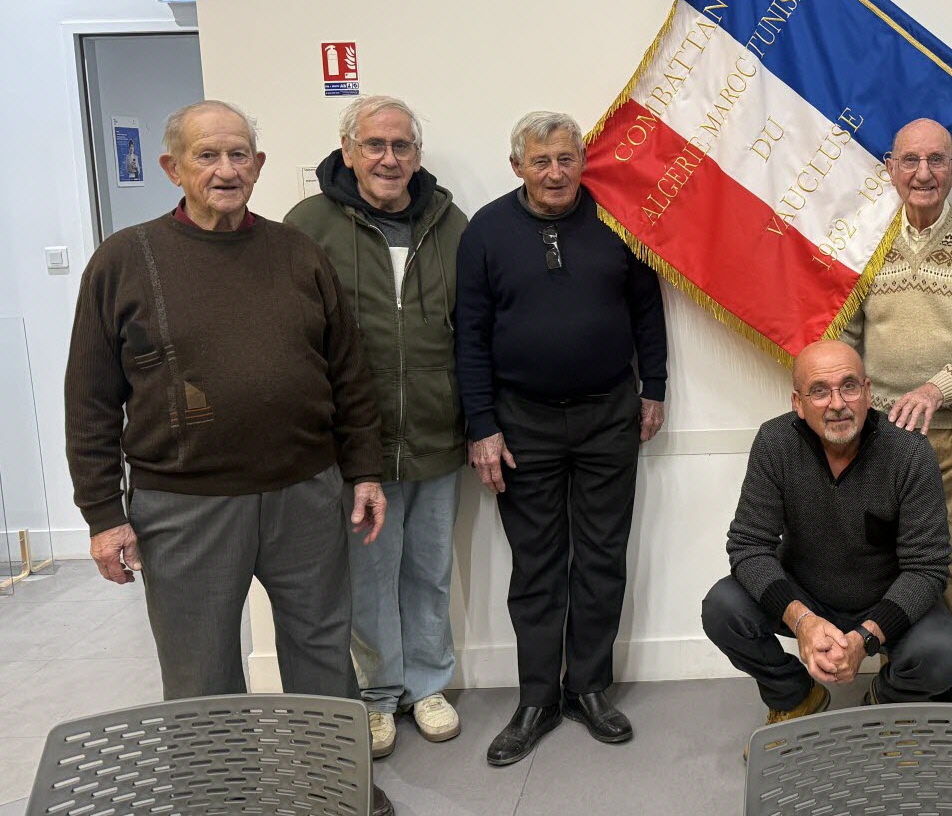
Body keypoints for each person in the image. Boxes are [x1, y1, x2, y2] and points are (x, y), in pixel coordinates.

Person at [65, 99, 396, 816]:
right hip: (182, 507)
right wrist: (102, 512)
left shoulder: (298, 253)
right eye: (208, 155)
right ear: (172, 168)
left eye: (239, 154)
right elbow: (90, 398)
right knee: (201, 675)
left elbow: (349, 374)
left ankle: (336, 791)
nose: (225, 169)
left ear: (260, 165)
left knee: (322, 657)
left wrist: (364, 469)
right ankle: (219, 800)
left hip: (305, 492)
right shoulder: (125, 259)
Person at [454, 110, 668, 767]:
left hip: (609, 413)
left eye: (566, 158)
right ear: (517, 164)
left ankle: (590, 687)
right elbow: (469, 334)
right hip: (522, 421)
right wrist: (482, 424)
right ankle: (538, 697)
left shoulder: (615, 220)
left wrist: (653, 386)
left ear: (584, 161)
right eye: (540, 160)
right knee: (538, 564)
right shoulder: (486, 230)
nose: (554, 172)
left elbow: (646, 310)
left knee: (602, 557)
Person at [285, 95, 469, 758]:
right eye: (375, 145)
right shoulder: (307, 224)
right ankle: (377, 694)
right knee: (368, 575)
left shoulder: (449, 224)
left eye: (401, 145)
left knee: (430, 570)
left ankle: (427, 685)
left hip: (437, 432)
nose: (389, 158)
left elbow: (471, 332)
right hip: (355, 445)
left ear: (417, 154)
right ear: (348, 150)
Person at [702, 340, 952, 729]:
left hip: (883, 600)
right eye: (819, 391)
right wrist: (803, 621)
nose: (837, 403)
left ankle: (882, 704)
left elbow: (927, 568)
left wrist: (864, 639)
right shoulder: (775, 443)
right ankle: (795, 696)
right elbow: (749, 546)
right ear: (798, 402)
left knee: (942, 654)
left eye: (849, 386)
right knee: (722, 607)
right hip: (805, 597)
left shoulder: (909, 452)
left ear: (868, 392)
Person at [843, 117, 952, 703]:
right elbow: (846, 332)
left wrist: (938, 387)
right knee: (892, 560)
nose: (924, 173)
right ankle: (904, 678)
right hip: (884, 434)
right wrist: (854, 401)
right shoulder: (865, 242)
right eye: (911, 161)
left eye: (937, 160)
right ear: (890, 168)